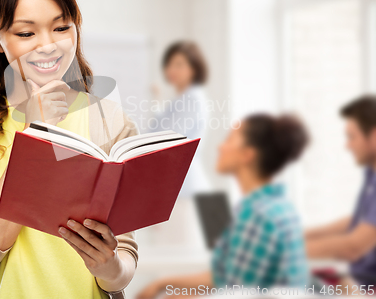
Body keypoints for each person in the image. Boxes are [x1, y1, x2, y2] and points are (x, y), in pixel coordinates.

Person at [0, 0, 139, 299]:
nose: (48, 45)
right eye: (26, 32)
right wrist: (36, 133)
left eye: (61, 27)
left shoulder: (110, 121)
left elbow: (122, 267)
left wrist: (109, 266)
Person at [136, 113, 310, 298]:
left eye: (229, 139)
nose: (220, 146)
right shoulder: (274, 206)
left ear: (247, 155)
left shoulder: (257, 216)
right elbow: (226, 278)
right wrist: (164, 284)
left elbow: (235, 292)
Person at [305, 95, 376, 288]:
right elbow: (359, 222)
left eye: (352, 137)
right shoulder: (371, 173)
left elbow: (354, 247)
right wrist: (301, 234)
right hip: (356, 280)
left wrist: (285, 250)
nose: (348, 145)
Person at [149, 40, 210, 197]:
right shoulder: (183, 98)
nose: (171, 69)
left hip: (186, 188)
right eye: (169, 64)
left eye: (179, 64)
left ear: (194, 68)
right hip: (181, 185)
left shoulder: (192, 98)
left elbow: (166, 135)